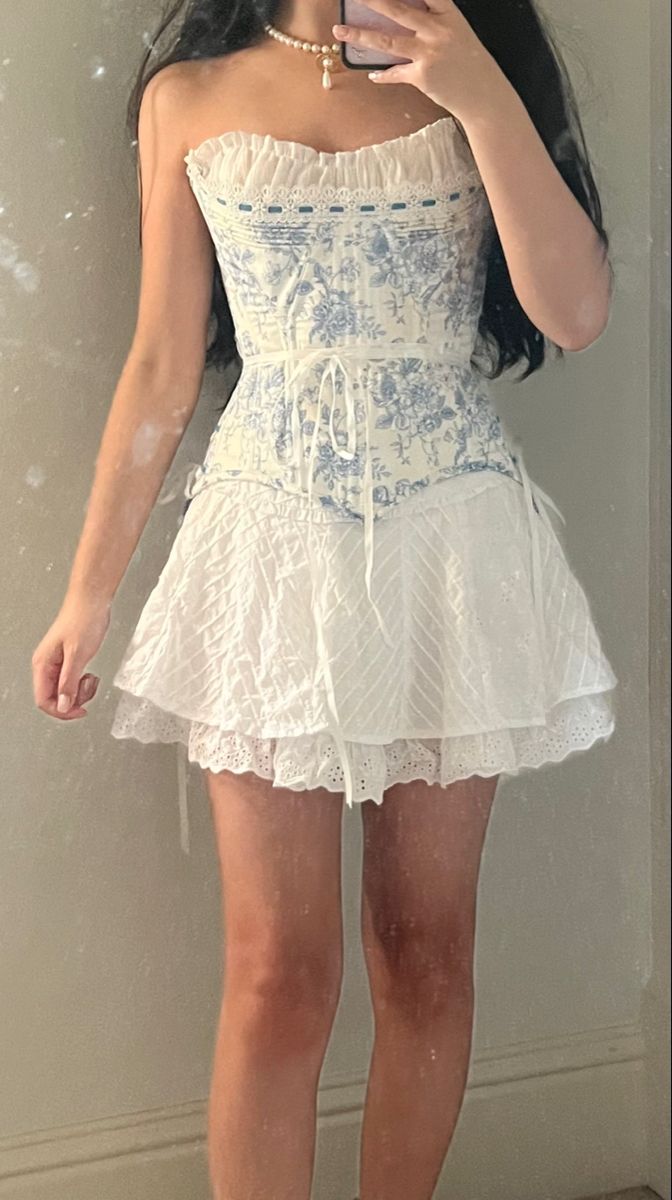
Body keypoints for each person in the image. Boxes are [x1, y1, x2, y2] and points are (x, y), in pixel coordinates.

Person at [31, 0, 619, 1196]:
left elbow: (575, 311)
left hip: (453, 549)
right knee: (276, 975)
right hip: (266, 555)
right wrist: (88, 593)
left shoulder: (471, 68)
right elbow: (161, 363)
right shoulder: (189, 99)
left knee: (426, 956)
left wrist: (480, 91)